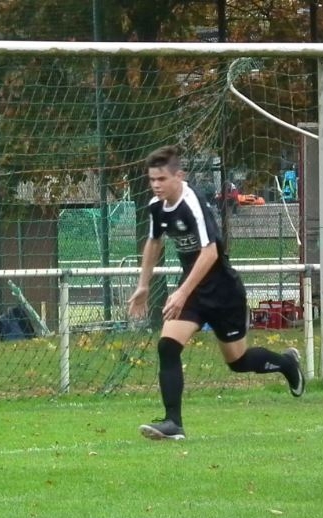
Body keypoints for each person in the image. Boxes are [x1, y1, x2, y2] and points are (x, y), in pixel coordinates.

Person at [127, 145, 304, 441]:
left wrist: (181, 292)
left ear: (179, 176)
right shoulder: (156, 207)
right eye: (152, 179)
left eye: (161, 179)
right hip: (193, 293)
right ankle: (173, 423)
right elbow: (154, 242)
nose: (156, 185)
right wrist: (143, 285)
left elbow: (209, 252)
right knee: (167, 346)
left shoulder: (191, 202)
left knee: (238, 362)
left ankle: (286, 363)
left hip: (224, 293)